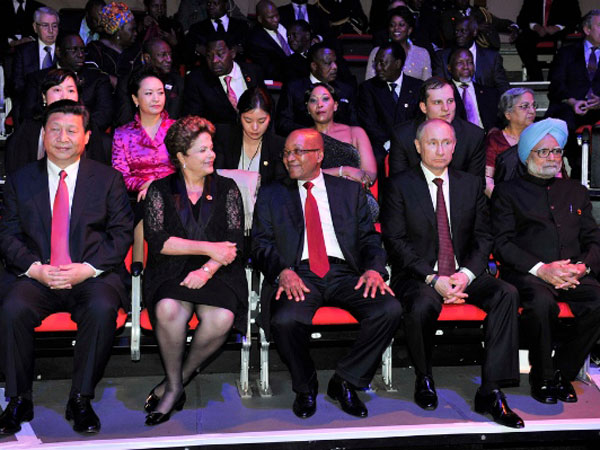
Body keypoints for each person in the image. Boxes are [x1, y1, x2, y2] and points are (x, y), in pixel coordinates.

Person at [0, 100, 133, 436]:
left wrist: (87, 269)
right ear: (43, 135)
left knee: (102, 308)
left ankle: (80, 398)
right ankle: (18, 398)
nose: (62, 138)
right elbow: (7, 234)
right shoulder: (20, 180)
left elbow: (121, 235)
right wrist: (34, 269)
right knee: (13, 308)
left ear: (86, 137)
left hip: (90, 275)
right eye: (55, 130)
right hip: (37, 275)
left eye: (71, 130)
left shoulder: (108, 180)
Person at [381, 118, 523, 429]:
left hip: (464, 272)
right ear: (418, 146)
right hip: (419, 274)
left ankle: (491, 390)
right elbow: (395, 241)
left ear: (455, 146)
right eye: (432, 143)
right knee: (423, 303)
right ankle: (424, 376)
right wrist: (434, 278)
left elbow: (483, 236)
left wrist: (466, 275)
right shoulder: (399, 185)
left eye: (446, 143)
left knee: (506, 294)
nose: (440, 149)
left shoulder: (470, 184)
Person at [252, 128, 402, 419]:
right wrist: (282, 271)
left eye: (298, 152)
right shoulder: (272, 194)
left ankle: (346, 380)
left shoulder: (348, 191)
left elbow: (370, 239)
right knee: (285, 320)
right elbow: (261, 244)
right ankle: (305, 386)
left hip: (345, 272)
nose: (290, 158)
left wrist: (374, 269)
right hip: (299, 274)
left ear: (319, 155)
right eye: (286, 152)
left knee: (388, 309)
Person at [142, 115, 247, 425]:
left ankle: (176, 382)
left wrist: (207, 268)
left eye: (211, 148)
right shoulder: (160, 190)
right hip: (170, 269)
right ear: (181, 157)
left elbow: (234, 241)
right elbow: (158, 242)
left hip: (219, 271)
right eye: (202, 150)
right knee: (168, 309)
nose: (211, 155)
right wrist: (208, 248)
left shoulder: (227, 188)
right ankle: (174, 388)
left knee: (221, 318)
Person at [491, 118, 600, 405]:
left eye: (557, 151)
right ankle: (542, 376)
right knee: (541, 304)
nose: (552, 157)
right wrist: (542, 269)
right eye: (543, 151)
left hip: (573, 273)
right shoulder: (507, 192)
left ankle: (562, 372)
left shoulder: (575, 191)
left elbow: (594, 239)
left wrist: (582, 267)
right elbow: (502, 243)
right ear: (527, 155)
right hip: (528, 274)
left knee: (598, 300)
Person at [112, 70, 176, 266]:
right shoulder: (123, 134)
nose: (156, 98)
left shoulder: (178, 129)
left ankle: (142, 266)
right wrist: (145, 185)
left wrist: (156, 186)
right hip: (136, 198)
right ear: (135, 99)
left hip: (176, 193)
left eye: (160, 92)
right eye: (149, 93)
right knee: (146, 205)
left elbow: (187, 168)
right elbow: (120, 175)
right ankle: (140, 270)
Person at [5, 69, 112, 174]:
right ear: (44, 96)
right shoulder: (29, 128)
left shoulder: (88, 126)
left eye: (70, 91)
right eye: (57, 90)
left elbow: (98, 171)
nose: (64, 96)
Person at [307, 83, 379, 220]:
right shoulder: (302, 137)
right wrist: (344, 171)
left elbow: (370, 173)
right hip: (316, 195)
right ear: (308, 108)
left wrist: (354, 180)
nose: (319, 105)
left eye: (325, 99)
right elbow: (305, 175)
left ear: (335, 105)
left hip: (354, 195)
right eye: (313, 100)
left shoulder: (355, 133)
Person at [389, 76, 485, 178]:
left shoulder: (474, 136)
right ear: (424, 107)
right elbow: (399, 182)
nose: (446, 108)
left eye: (450, 101)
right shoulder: (403, 136)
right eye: (438, 102)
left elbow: (475, 184)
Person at [546, 10, 600, 178]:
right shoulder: (567, 53)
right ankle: (578, 166)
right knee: (561, 121)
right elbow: (556, 84)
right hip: (570, 107)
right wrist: (572, 101)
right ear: (587, 29)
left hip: (598, 108)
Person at [21, 33, 114, 131]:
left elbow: (105, 113)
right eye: (74, 50)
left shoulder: (97, 79)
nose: (80, 55)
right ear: (58, 52)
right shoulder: (38, 78)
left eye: (82, 50)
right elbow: (28, 114)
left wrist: (77, 130)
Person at [358, 41, 422, 171]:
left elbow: (419, 120)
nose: (378, 68)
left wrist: (403, 143)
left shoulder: (418, 87)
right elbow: (369, 123)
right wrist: (389, 143)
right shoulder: (368, 88)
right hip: (381, 145)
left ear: (397, 64)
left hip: (411, 143)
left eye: (382, 63)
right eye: (376, 63)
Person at [275, 42, 357, 137]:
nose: (335, 67)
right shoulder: (294, 88)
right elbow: (282, 123)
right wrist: (312, 133)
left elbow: (354, 125)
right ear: (314, 66)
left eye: (335, 62)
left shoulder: (346, 90)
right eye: (328, 63)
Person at [183, 33, 264, 126]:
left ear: (232, 53)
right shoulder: (197, 80)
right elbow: (194, 120)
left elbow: (266, 107)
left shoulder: (253, 72)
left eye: (220, 54)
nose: (214, 60)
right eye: (209, 56)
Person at [213, 86, 286, 185]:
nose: (255, 127)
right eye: (248, 120)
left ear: (270, 118)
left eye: (261, 121)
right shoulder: (224, 137)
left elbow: (280, 185)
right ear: (239, 116)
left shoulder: (278, 146)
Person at [115, 38, 183, 126]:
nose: (169, 59)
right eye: (163, 55)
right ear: (147, 58)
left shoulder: (177, 81)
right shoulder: (127, 82)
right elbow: (124, 119)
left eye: (170, 54)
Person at [433, 16, 509, 94]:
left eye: (463, 31)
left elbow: (503, 87)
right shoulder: (443, 57)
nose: (458, 34)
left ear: (474, 32)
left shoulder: (492, 58)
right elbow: (438, 87)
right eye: (456, 31)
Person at [10, 6, 60, 120]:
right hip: (29, 105)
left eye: (54, 26)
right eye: (45, 25)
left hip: (59, 105)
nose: (51, 31)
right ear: (35, 27)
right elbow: (17, 85)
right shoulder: (23, 52)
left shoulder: (64, 50)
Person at [485, 87, 536, 197]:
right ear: (508, 114)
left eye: (533, 106)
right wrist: (503, 201)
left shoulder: (540, 138)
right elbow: (487, 180)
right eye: (525, 106)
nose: (532, 111)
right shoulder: (495, 140)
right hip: (504, 200)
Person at [516, 0, 581, 81]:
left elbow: (576, 19)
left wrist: (557, 27)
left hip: (560, 33)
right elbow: (521, 19)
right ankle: (536, 78)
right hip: (536, 32)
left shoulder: (569, 2)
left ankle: (555, 77)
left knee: (566, 44)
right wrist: (536, 27)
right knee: (522, 41)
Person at [365, 6, 431, 81]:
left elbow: (427, 83)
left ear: (409, 30)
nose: (396, 28)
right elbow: (369, 82)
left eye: (401, 25)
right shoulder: (377, 52)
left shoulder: (422, 53)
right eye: (392, 25)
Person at [86, 2, 142, 90]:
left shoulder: (136, 50)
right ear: (118, 31)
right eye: (132, 30)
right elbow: (92, 75)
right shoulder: (96, 50)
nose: (136, 33)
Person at [447, 48, 499, 131]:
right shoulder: (445, 93)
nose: (466, 67)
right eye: (460, 63)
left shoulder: (489, 93)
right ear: (449, 67)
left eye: (470, 62)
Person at [185, 0, 249, 64]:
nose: (211, 6)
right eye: (209, 3)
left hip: (237, 66)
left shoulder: (241, 26)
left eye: (215, 3)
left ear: (225, 5)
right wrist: (198, 50)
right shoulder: (197, 28)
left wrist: (239, 49)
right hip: (207, 68)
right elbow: (188, 54)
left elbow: (249, 50)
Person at [440, 0, 518, 50]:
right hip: (459, 54)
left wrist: (514, 27)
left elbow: (499, 23)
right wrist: (474, 27)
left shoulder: (480, 12)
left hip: (483, 54)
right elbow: (448, 36)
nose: (463, 1)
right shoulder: (448, 15)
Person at [247, 0, 292, 81]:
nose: (276, 20)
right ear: (260, 19)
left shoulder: (286, 23)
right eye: (271, 17)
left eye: (277, 15)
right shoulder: (256, 41)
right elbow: (270, 71)